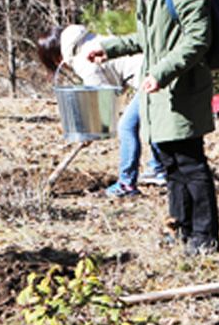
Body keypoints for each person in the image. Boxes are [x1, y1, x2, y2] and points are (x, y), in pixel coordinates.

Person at [88, 0, 219, 255]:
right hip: (160, 89)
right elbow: (151, 38)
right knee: (170, 162)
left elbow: (197, 39)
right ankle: (180, 228)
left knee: (190, 162)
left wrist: (161, 73)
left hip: (180, 88)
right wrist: (111, 48)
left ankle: (205, 237)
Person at [38, 24, 165, 196]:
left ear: (56, 57)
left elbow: (104, 97)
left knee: (126, 126)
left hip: (150, 79)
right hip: (157, 72)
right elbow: (114, 81)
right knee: (151, 121)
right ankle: (158, 168)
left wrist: (91, 130)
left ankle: (127, 184)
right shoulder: (87, 40)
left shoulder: (83, 60)